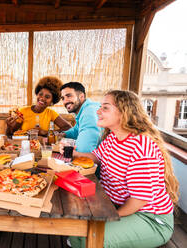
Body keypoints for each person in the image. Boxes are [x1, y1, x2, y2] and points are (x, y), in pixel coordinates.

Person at [62, 90, 179, 248]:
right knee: (76, 233)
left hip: (149, 218)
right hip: (116, 205)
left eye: (105, 108)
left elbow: (138, 200)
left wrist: (107, 217)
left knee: (87, 239)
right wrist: (72, 152)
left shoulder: (142, 147)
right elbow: (96, 157)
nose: (98, 111)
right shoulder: (113, 138)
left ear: (124, 112)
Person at [6, 76, 72, 136]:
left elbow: (68, 128)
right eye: (40, 94)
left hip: (42, 147)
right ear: (37, 94)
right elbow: (10, 134)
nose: (42, 98)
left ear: (52, 101)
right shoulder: (22, 111)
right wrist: (9, 126)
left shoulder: (51, 113)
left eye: (47, 97)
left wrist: (45, 132)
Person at [60, 82, 101, 153]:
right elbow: (77, 129)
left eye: (69, 96)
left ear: (81, 96)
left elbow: (84, 149)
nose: (65, 101)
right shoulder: (84, 110)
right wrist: (64, 134)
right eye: (63, 98)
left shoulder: (89, 112)